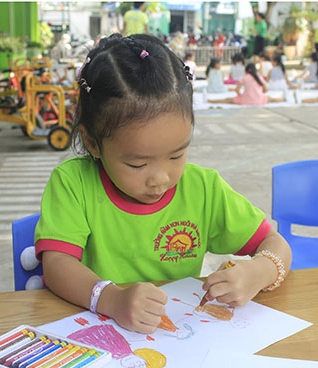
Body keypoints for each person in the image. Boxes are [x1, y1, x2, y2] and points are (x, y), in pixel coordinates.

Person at [34, 33, 292, 335]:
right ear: (92, 142)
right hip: (99, 337)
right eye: (138, 164)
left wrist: (259, 271)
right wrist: (111, 299)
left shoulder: (203, 189)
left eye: (176, 155)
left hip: (180, 338)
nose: (161, 178)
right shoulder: (73, 184)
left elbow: (275, 243)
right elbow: (57, 264)